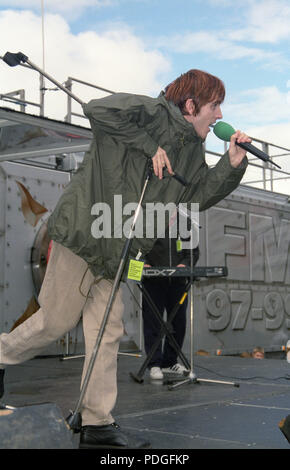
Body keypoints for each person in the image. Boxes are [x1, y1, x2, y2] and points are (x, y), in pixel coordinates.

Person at [0, 69, 250, 449]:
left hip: (119, 250)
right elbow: (98, 109)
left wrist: (231, 165)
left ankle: (97, 421)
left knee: (107, 330)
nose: (218, 115)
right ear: (190, 104)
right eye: (214, 106)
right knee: (55, 323)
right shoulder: (148, 111)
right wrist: (149, 145)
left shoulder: (193, 149)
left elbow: (195, 196)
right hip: (85, 235)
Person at [142, 212, 200, 380]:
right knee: (153, 322)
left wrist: (184, 264)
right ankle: (154, 364)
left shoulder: (186, 223)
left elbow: (193, 252)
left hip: (178, 282)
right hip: (153, 281)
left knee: (179, 322)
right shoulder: (146, 222)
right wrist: (143, 263)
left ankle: (169, 361)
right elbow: (135, 249)